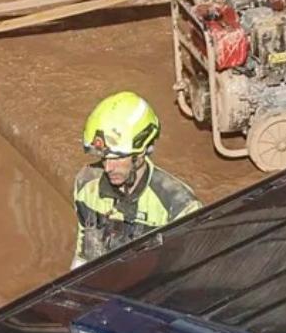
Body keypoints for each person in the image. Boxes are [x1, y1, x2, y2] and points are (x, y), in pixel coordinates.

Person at [72, 92, 201, 269]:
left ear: (141, 153)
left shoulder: (179, 207)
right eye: (104, 157)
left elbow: (189, 271)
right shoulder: (86, 185)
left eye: (117, 158)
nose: (108, 167)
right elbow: (83, 256)